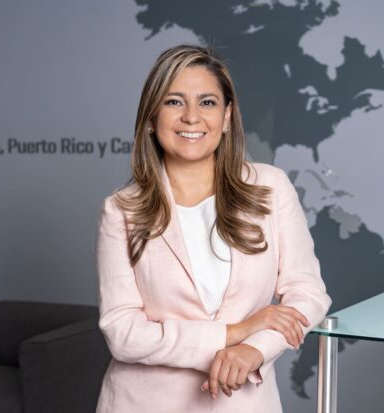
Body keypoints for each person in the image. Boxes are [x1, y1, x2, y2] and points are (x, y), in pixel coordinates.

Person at [94, 44, 332, 413]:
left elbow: (308, 293)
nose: (191, 117)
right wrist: (234, 333)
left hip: (245, 403)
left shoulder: (270, 187)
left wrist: (254, 348)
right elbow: (122, 333)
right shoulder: (121, 211)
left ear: (226, 117)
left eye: (207, 102)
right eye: (174, 102)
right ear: (151, 118)